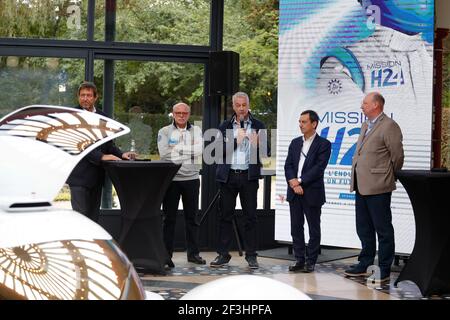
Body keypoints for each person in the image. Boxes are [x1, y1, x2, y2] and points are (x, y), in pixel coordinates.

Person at [344, 92, 404, 282]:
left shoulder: (389, 126)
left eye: (365, 103)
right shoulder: (365, 125)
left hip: (379, 186)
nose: (362, 106)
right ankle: (365, 263)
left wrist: (387, 176)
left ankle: (384, 268)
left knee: (383, 229)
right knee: (364, 227)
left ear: (376, 105)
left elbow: (397, 157)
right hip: (361, 185)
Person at [210, 92, 268, 269]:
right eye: (238, 105)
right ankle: (223, 254)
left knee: (250, 217)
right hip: (228, 177)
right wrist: (236, 140)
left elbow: (267, 155)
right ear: (233, 106)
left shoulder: (259, 125)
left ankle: (251, 256)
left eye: (244, 105)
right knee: (225, 216)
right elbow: (216, 153)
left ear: (248, 105)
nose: (242, 108)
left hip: (248, 178)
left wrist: (260, 145)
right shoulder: (224, 126)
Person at [67, 81, 135, 222]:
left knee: (93, 219)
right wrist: (102, 156)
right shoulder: (72, 116)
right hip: (78, 178)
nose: (85, 98)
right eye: (82, 95)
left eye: (89, 95)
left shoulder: (103, 117)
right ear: (78, 97)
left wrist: (121, 154)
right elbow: (78, 144)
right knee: (80, 219)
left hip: (96, 177)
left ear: (95, 97)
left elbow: (108, 145)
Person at [158, 102, 205, 268]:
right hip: (171, 180)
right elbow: (164, 154)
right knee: (168, 219)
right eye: (178, 113)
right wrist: (188, 149)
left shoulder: (196, 131)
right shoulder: (164, 131)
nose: (181, 115)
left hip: (191, 179)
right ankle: (166, 256)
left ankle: (193, 254)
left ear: (189, 114)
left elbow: (200, 150)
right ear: (173, 113)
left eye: (184, 113)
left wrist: (176, 148)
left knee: (192, 219)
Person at [284, 110, 331, 273]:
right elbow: (288, 165)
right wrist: (293, 182)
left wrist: (301, 181)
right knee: (296, 227)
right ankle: (299, 259)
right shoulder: (295, 142)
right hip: (294, 191)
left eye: (304, 122)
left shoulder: (324, 144)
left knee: (313, 228)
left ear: (314, 124)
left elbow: (319, 168)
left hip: (312, 192)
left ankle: (311, 261)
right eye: (299, 121)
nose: (300, 125)